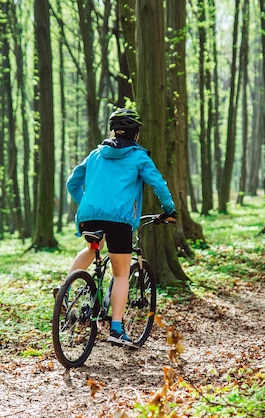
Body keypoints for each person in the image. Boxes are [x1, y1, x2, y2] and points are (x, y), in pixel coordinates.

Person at [66, 108, 176, 346]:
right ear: (136, 134)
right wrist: (169, 209)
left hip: (89, 216)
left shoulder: (95, 154)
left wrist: (87, 203)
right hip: (118, 221)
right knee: (121, 273)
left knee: (92, 248)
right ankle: (116, 329)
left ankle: (65, 288)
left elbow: (72, 182)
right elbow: (158, 183)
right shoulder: (138, 157)